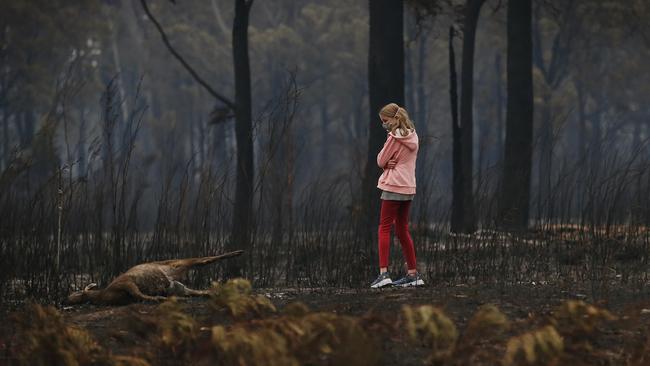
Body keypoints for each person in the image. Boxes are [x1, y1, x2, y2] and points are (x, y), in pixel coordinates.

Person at [370, 103, 424, 288]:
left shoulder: (393, 137)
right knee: (402, 229)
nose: (384, 124)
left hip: (393, 186)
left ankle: (384, 273)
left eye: (385, 121)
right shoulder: (414, 136)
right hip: (408, 187)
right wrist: (391, 162)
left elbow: (380, 160)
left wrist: (387, 164)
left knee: (384, 228)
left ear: (394, 118)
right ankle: (413, 274)